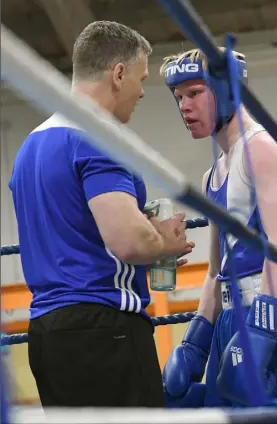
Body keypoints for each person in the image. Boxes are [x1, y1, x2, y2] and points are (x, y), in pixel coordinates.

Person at [8, 21, 194, 408]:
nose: (142, 91)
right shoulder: (98, 136)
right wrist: (166, 243)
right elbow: (129, 241)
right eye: (141, 79)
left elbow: (74, 221)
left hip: (46, 333)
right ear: (118, 74)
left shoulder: (31, 145)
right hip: (104, 330)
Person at [159, 48, 277, 421]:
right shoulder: (212, 176)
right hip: (231, 323)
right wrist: (195, 342)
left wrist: (260, 332)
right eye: (178, 98)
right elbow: (214, 270)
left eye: (194, 93)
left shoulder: (262, 149)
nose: (184, 107)